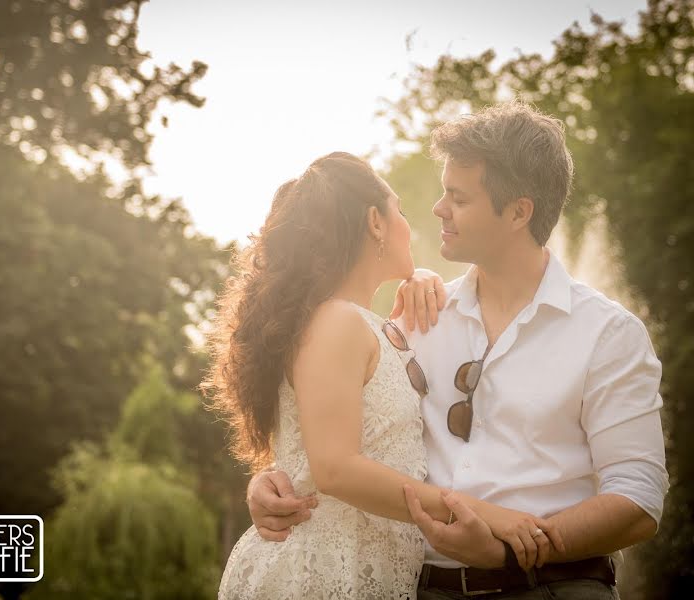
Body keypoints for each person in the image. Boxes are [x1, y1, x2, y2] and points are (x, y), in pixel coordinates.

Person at [246, 102, 669, 599]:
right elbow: (349, 441)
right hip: (418, 589)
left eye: (458, 197)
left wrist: (514, 550)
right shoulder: (414, 319)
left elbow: (638, 499)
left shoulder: (609, 334)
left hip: (555, 586)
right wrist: (276, 480)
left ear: (518, 212)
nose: (437, 209)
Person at [203, 151, 563, 600]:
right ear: (375, 222)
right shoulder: (336, 321)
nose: (412, 225)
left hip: (370, 565)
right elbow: (333, 468)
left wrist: (425, 279)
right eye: (402, 211)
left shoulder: (368, 324)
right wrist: (483, 514)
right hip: (326, 569)